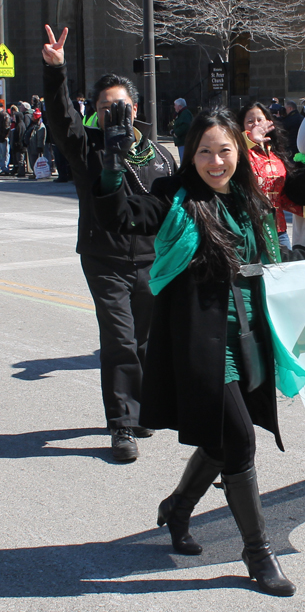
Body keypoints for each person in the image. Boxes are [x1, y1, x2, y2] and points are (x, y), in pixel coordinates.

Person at [92, 105, 305, 597]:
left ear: (238, 152)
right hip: (202, 343)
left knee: (223, 440)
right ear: (190, 155)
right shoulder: (173, 197)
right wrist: (111, 165)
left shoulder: (249, 198)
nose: (215, 161)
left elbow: (281, 247)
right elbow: (122, 214)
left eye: (224, 150)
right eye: (204, 152)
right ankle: (257, 554)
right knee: (240, 441)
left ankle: (177, 508)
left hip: (248, 338)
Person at [42, 24, 177, 461]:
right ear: (95, 112)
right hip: (105, 259)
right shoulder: (88, 149)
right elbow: (60, 119)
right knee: (119, 339)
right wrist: (56, 71)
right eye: (103, 107)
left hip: (152, 261)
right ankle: (122, 426)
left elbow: (173, 208)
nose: (112, 112)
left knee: (144, 340)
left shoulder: (158, 154)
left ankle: (139, 412)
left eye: (119, 105)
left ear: (134, 108)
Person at [237, 102, 305, 249]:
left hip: (278, 229)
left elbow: (279, 195)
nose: (256, 124)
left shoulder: (274, 153)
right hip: (251, 230)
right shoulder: (239, 150)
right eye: (250, 121)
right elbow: (231, 153)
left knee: (287, 270)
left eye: (260, 120)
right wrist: (249, 140)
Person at [25, 108, 47, 176]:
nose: (31, 117)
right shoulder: (32, 124)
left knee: (35, 161)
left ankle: (37, 173)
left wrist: (40, 147)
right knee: (32, 160)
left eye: (33, 116)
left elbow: (40, 138)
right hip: (31, 145)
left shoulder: (40, 126)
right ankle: (35, 173)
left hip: (36, 147)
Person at [171, 98, 193, 162]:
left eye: (175, 105)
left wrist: (176, 133)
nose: (174, 107)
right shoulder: (182, 113)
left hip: (184, 141)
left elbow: (186, 126)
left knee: (184, 160)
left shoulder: (185, 113)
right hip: (182, 141)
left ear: (180, 106)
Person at [0, 106, 11, 174]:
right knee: (3, 153)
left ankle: (4, 167)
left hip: (3, 138)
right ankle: (3, 167)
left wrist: (3, 137)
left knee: (4, 153)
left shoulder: (5, 115)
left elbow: (6, 127)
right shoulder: (4, 115)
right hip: (2, 137)